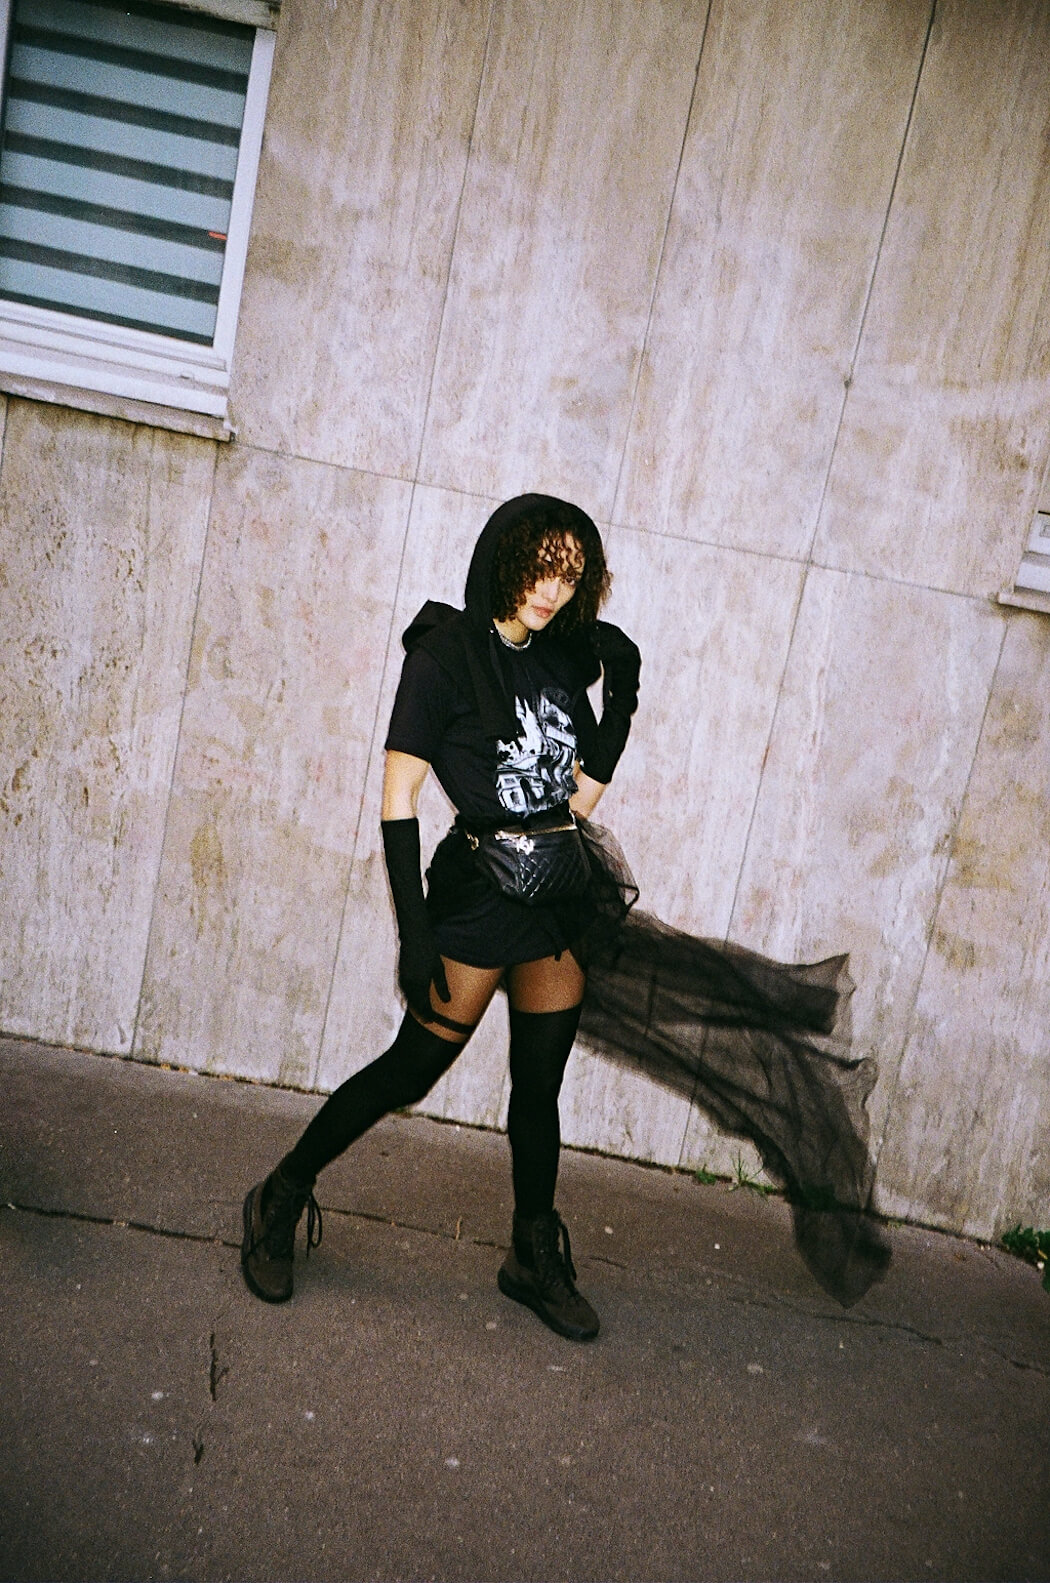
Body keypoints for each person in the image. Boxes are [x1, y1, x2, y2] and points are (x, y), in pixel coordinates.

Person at [241, 494, 642, 1342]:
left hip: (556, 897)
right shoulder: (446, 655)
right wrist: (416, 930)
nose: (553, 590)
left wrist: (619, 708)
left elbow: (571, 802)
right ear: (505, 558)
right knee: (411, 1069)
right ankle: (281, 1191)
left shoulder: (558, 661)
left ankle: (532, 1253)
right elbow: (400, 799)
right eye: (541, 568)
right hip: (480, 895)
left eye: (570, 576)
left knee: (540, 1084)